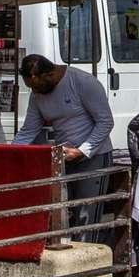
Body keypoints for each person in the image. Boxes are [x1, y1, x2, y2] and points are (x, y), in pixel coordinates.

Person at [16, 54, 116, 240]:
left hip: (93, 156)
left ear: (50, 74)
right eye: (32, 88)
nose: (35, 92)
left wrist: (82, 151)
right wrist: (11, 152)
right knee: (60, 212)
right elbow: (29, 129)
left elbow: (105, 122)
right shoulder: (37, 94)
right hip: (64, 158)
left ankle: (89, 259)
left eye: (37, 87)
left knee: (86, 215)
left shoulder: (83, 82)